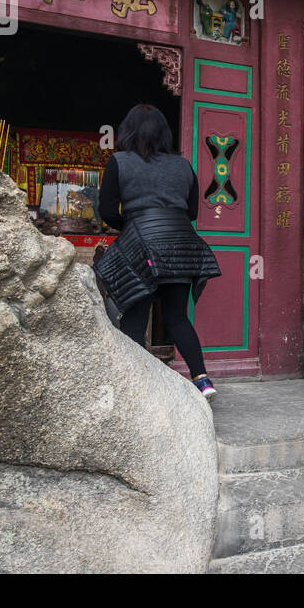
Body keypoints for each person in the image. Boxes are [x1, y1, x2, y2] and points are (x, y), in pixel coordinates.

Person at [95, 104, 222, 402]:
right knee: (177, 317)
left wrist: (132, 225)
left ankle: (140, 389)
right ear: (165, 133)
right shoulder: (183, 166)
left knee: (134, 321)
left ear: (127, 131)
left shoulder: (119, 161)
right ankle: (203, 381)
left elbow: (106, 211)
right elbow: (191, 212)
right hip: (181, 245)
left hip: (140, 244)